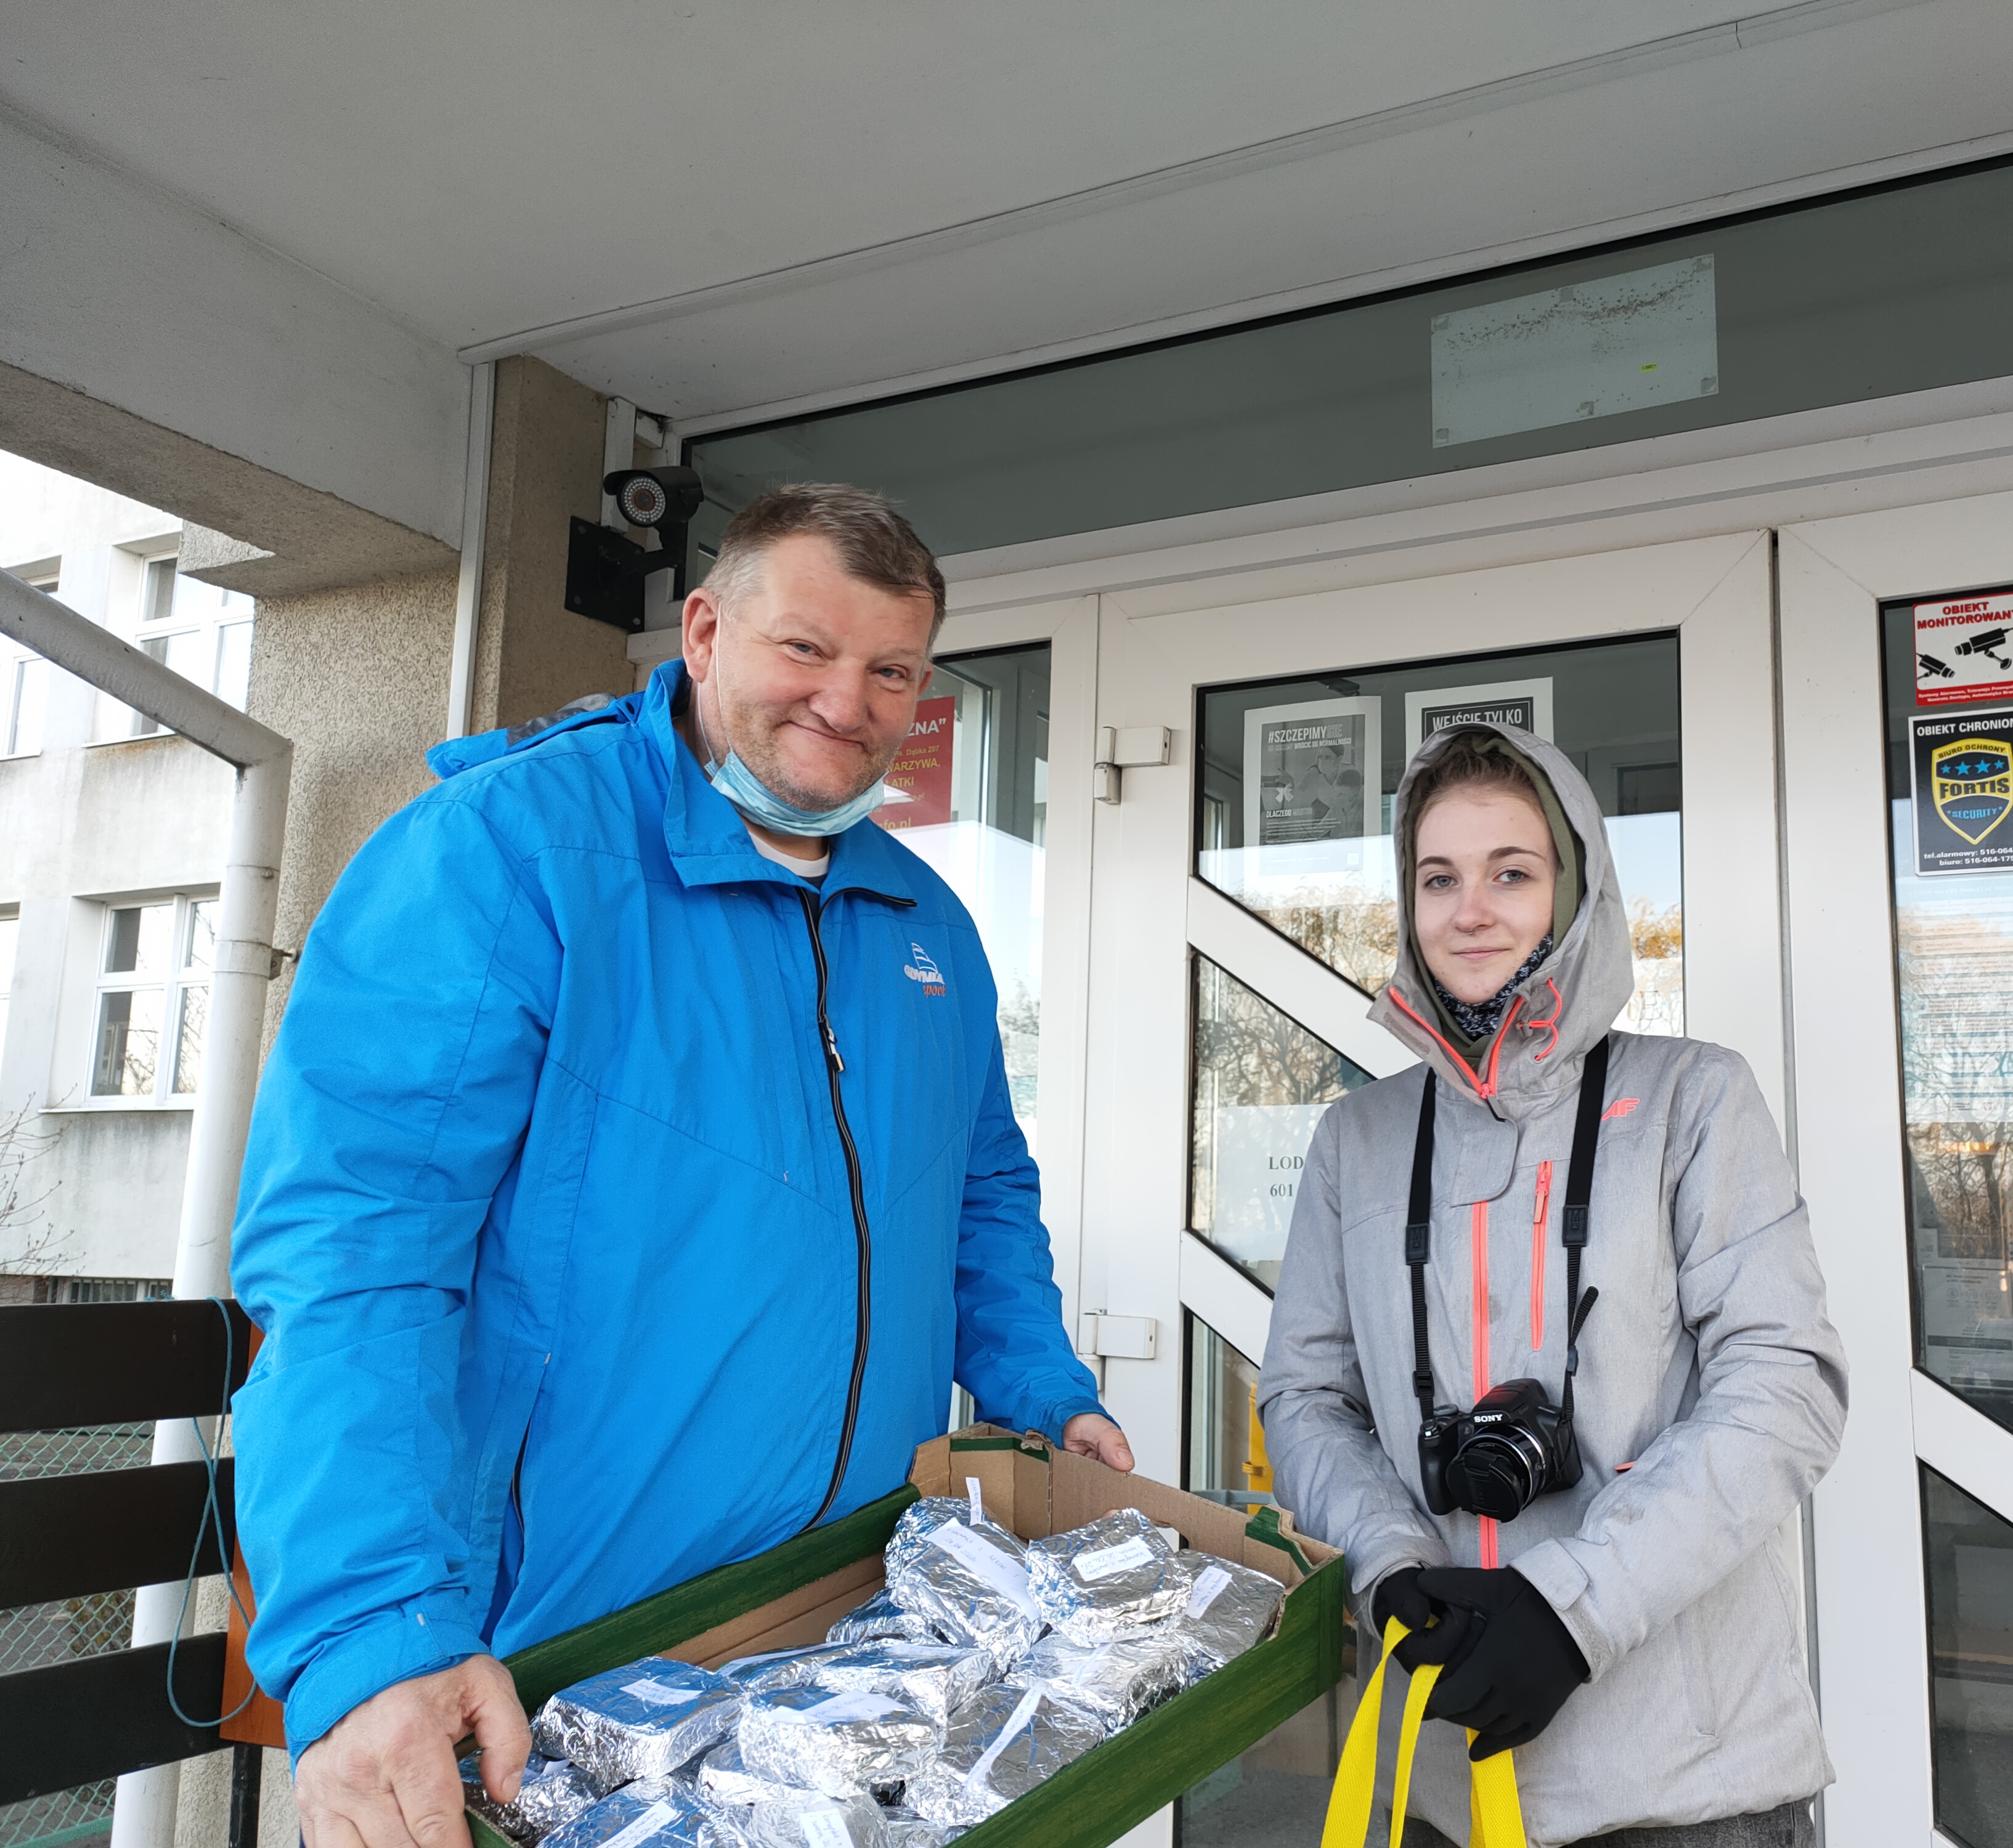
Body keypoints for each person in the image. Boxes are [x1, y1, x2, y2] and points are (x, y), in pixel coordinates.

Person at [231, 484, 1130, 1848]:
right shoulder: (505, 852)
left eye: (892, 670)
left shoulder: (923, 910)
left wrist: (1039, 1386)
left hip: (839, 1628)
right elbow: (356, 1261)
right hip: (551, 1656)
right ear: (703, 630)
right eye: (806, 650)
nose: (850, 700)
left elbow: (979, 1190)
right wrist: (368, 1629)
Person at [1258, 723, 1847, 1847]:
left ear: (1574, 893)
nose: (1468, 910)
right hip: (1436, 1773)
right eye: (1439, 878)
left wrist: (1569, 1611)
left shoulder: (1693, 1103)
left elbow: (1786, 1387)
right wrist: (1390, 1569)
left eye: (1510, 873)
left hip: (1686, 1790)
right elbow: (1305, 1399)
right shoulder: (1360, 1140)